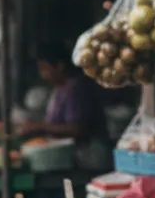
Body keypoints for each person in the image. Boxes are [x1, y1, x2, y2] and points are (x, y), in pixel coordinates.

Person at [21, 42, 110, 170]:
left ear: (60, 66)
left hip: (89, 158)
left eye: (44, 69)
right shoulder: (59, 89)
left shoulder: (76, 89)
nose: (42, 75)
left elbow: (77, 130)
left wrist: (40, 127)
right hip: (68, 156)